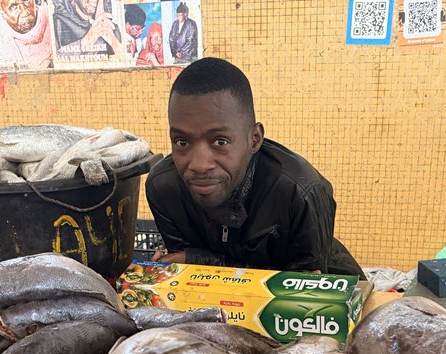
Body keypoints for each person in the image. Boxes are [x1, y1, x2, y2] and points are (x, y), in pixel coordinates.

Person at [146, 58, 363, 276]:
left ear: (254, 139)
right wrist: (193, 261)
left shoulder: (301, 193)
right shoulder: (164, 188)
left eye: (220, 141)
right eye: (182, 142)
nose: (200, 165)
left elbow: (301, 291)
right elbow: (187, 275)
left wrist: (200, 261)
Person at [0, 0, 52, 70]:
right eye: (14, 7)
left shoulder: (51, 17)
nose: (25, 13)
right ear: (1, 10)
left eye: (27, 1)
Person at [54, 0, 123, 58]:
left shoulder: (112, 28)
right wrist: (86, 41)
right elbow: (50, 64)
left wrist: (115, 45)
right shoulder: (57, 24)